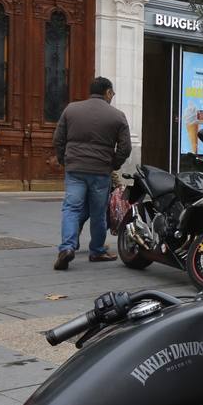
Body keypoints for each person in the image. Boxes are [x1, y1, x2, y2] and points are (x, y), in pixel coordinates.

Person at [52, 77, 132, 270]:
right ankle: (96, 251)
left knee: (71, 208)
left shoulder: (71, 109)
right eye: (112, 93)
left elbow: (58, 139)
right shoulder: (117, 116)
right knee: (98, 213)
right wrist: (112, 164)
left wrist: (66, 160)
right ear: (108, 93)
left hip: (75, 169)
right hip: (100, 170)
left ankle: (67, 248)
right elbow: (125, 148)